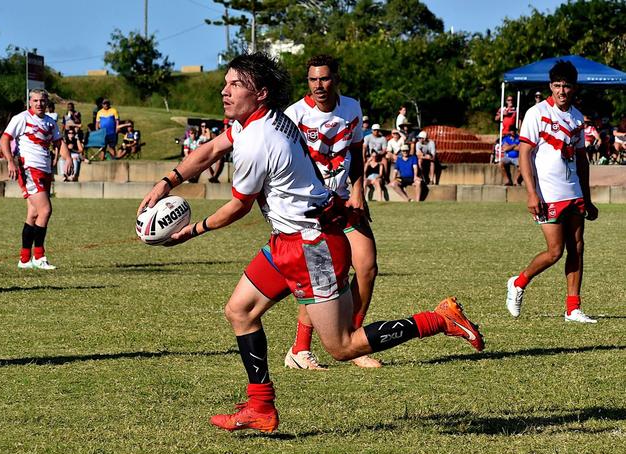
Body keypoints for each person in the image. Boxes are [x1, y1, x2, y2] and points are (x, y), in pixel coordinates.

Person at [137, 52, 485, 433]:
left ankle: (440, 319)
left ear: (261, 93)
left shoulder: (258, 138)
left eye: (235, 84)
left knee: (343, 347)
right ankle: (260, 406)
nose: (225, 90)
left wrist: (193, 230)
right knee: (240, 311)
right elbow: (212, 149)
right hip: (289, 241)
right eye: (226, 82)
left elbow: (238, 206)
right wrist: (167, 181)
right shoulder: (263, 119)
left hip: (312, 246)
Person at [283, 53, 381, 369]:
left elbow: (355, 150)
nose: (319, 85)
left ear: (336, 78)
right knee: (321, 279)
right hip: (312, 207)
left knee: (366, 267)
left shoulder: (352, 107)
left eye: (324, 78)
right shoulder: (294, 114)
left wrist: (358, 191)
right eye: (313, 79)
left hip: (345, 201)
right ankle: (300, 350)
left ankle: (354, 341)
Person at [506, 60, 599, 324]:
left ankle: (573, 308)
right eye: (557, 85)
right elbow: (525, 154)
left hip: (574, 191)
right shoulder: (537, 113)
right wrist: (531, 193)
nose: (561, 91)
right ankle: (518, 282)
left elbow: (581, 161)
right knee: (554, 252)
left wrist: (588, 198)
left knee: (577, 248)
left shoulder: (578, 118)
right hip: (547, 193)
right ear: (550, 86)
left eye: (566, 86)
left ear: (574, 88)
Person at [0, 88, 73, 270]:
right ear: (29, 102)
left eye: (42, 101)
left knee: (33, 214)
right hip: (29, 169)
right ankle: (39, 257)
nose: (39, 104)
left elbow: (59, 142)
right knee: (45, 210)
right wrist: (10, 161)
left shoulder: (50, 122)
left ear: (47, 103)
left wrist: (68, 157)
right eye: (35, 101)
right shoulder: (21, 118)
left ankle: (25, 260)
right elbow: (4, 139)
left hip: (45, 170)